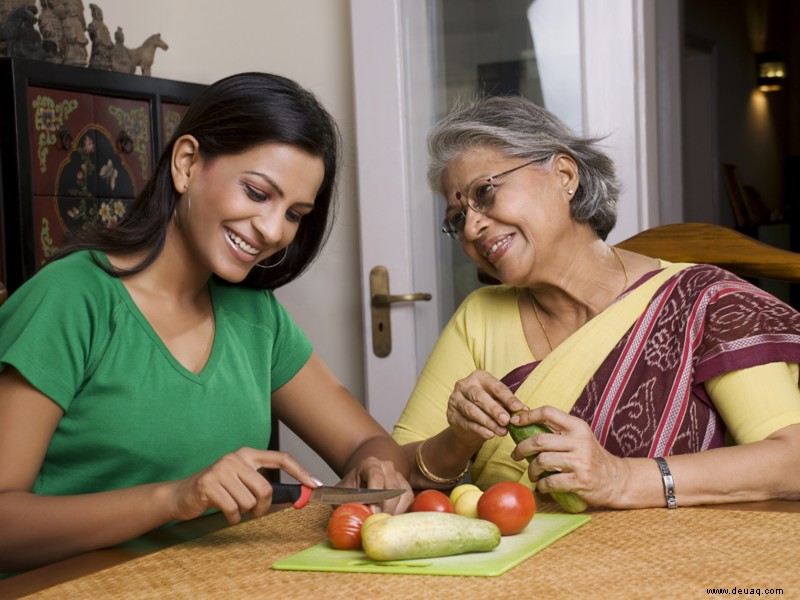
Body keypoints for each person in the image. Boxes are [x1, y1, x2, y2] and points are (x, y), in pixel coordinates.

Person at [0, 72, 412, 575]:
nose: (272, 230)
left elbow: (365, 443)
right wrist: (176, 497)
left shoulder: (255, 314)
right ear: (187, 163)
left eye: (295, 213)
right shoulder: (71, 299)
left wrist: (374, 466)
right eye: (258, 193)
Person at [392, 95, 800, 510]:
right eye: (457, 218)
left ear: (565, 175)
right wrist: (457, 439)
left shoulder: (703, 303)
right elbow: (398, 473)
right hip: (514, 570)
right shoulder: (479, 316)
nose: (473, 226)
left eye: (485, 192)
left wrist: (622, 479)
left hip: (675, 562)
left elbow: (792, 461)